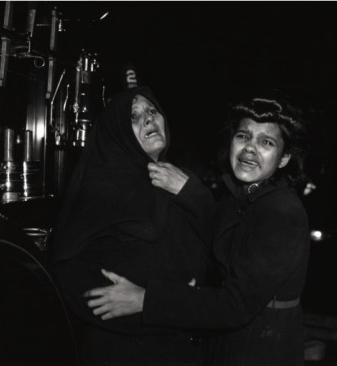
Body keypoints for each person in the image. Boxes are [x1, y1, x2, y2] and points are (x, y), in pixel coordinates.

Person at [84, 95, 311, 366]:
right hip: (237, 341)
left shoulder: (281, 212)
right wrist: (189, 192)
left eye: (266, 142)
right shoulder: (247, 197)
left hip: (261, 347)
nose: (250, 149)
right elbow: (222, 238)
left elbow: (234, 305)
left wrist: (146, 299)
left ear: (284, 158)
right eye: (243, 136)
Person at [50, 86, 213, 365]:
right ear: (118, 133)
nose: (148, 119)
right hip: (125, 352)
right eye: (134, 117)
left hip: (182, 350)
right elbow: (69, 273)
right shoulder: (103, 187)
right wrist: (154, 307)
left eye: (152, 111)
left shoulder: (181, 179)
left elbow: (222, 250)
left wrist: (193, 193)